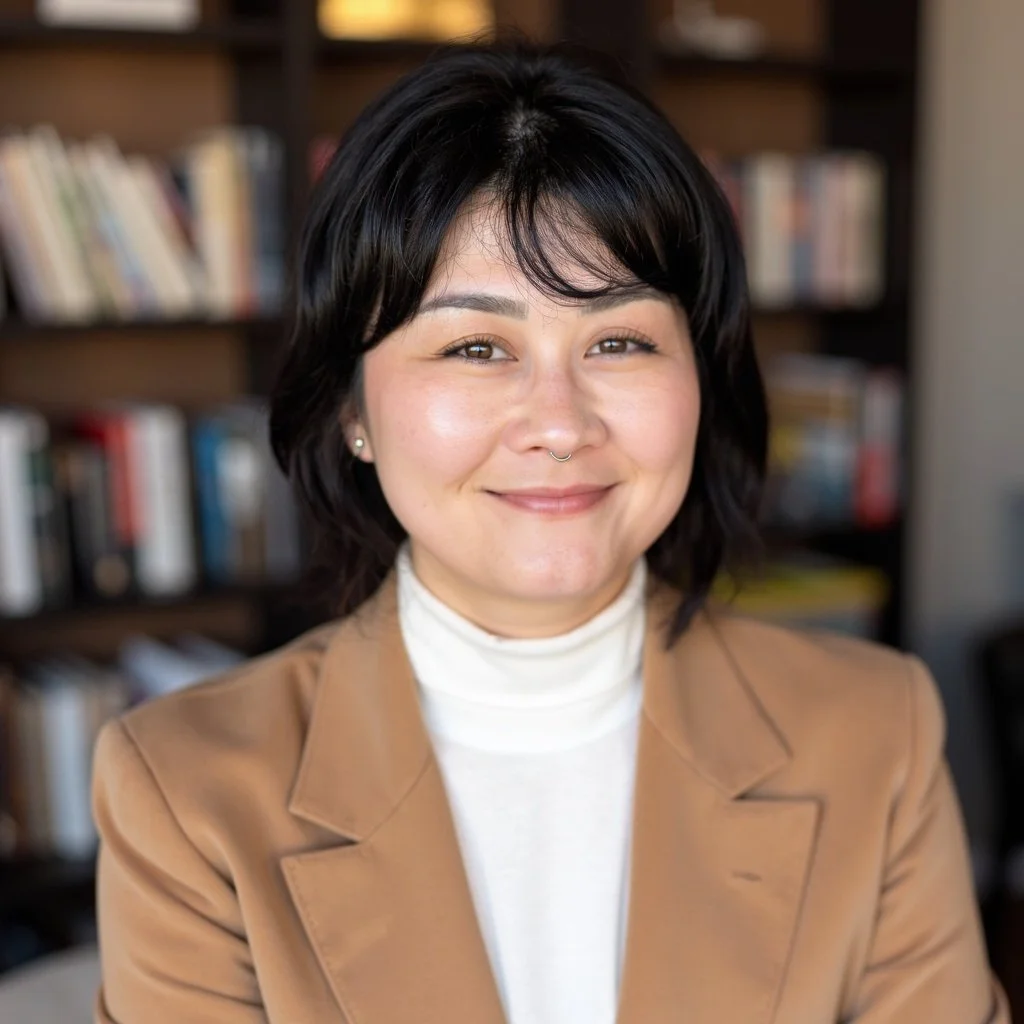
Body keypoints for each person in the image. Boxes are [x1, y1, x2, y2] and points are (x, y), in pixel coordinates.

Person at [91, 40, 1009, 1024]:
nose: (561, 422)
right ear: (352, 409)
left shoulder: (877, 733)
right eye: (476, 346)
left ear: (699, 379)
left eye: (619, 340)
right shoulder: (184, 791)